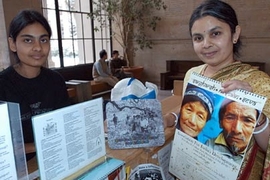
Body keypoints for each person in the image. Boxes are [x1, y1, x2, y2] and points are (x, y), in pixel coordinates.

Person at [164, 0, 270, 179]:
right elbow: (189, 109)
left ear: (235, 34)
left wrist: (253, 109)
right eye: (198, 38)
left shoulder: (259, 82)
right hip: (192, 169)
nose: (206, 44)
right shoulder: (193, 74)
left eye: (216, 34)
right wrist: (171, 117)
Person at [0, 10, 70, 160]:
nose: (38, 47)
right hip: (15, 167)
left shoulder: (55, 81)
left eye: (43, 40)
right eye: (28, 40)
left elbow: (66, 122)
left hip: (55, 158)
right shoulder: (3, 85)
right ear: (12, 44)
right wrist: (37, 146)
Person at [205, 99, 258, 164]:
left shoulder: (258, 157)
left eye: (247, 121)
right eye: (230, 118)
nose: (236, 129)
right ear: (220, 122)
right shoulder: (208, 145)